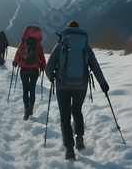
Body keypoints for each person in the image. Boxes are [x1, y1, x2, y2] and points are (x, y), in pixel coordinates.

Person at [45, 20, 109, 161]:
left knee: (65, 117)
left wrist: (53, 79)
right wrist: (103, 84)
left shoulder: (60, 45)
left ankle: (69, 150)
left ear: (66, 32)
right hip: (81, 86)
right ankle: (79, 139)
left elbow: (48, 69)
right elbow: (96, 67)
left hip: (63, 86)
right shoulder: (85, 47)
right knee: (77, 110)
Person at [12, 25, 46, 121]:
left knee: (25, 90)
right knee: (32, 90)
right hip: (34, 70)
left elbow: (17, 55)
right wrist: (43, 67)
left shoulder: (23, 44)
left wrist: (15, 63)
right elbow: (42, 57)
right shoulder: (38, 45)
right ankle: (30, 109)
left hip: (24, 70)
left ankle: (26, 110)